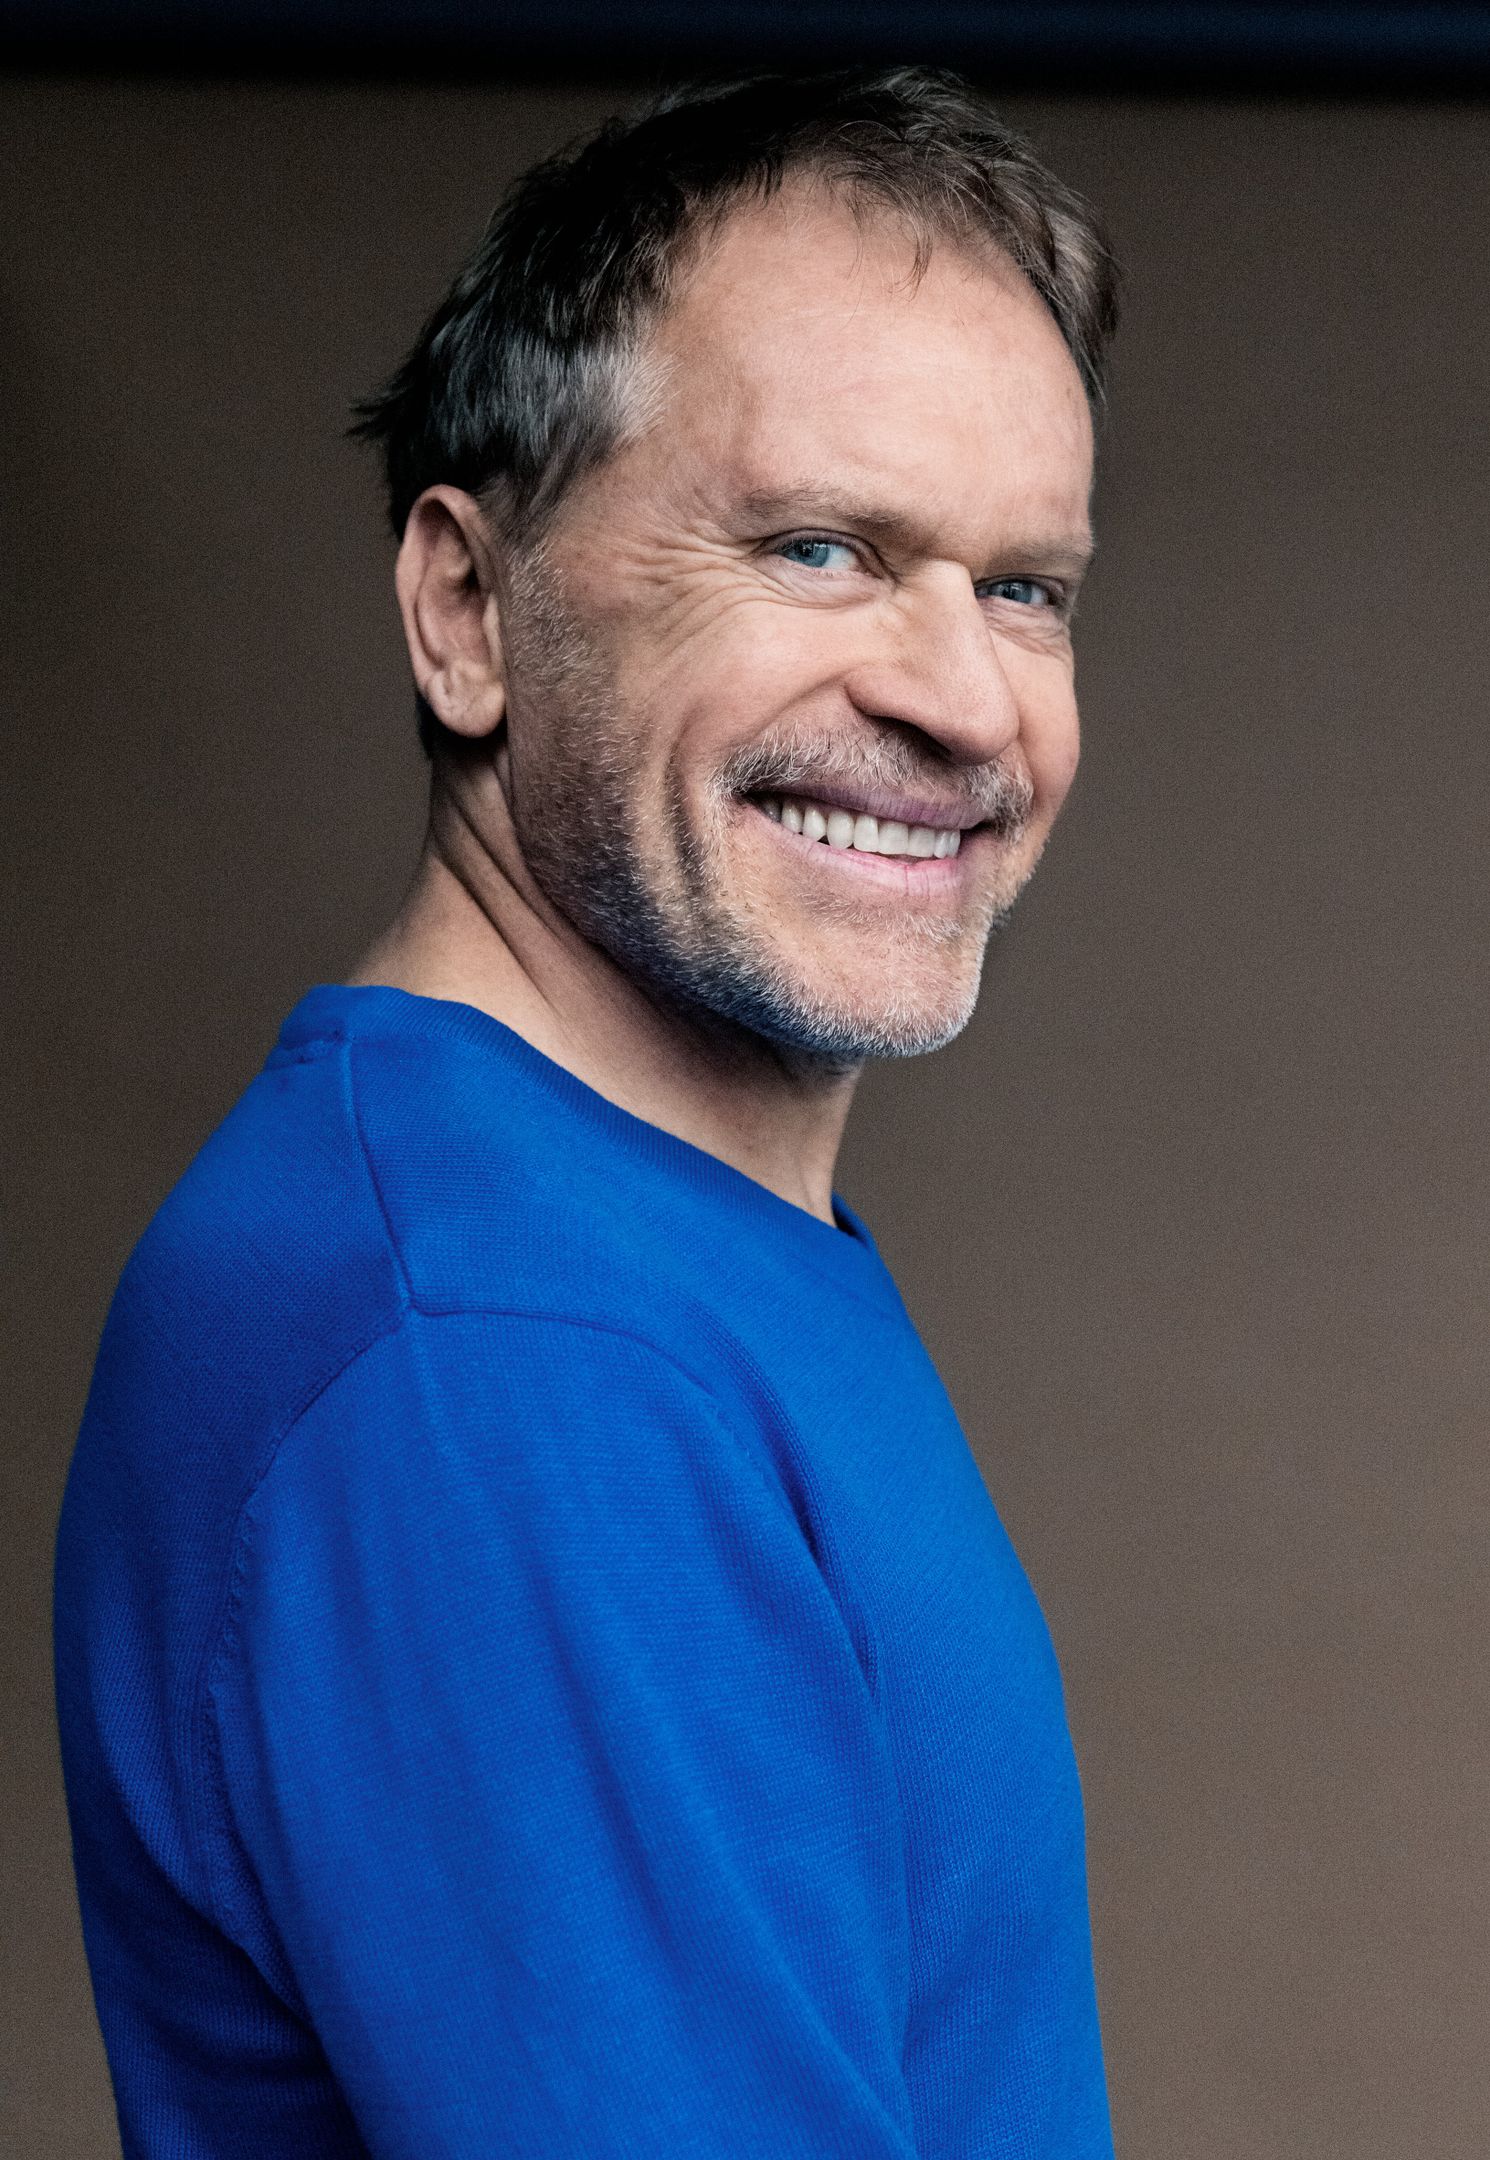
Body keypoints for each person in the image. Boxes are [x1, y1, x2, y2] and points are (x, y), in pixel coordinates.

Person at [54, 66, 1120, 2159]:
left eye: (1024, 588)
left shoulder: (603, 1246)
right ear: (466, 610)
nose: (962, 698)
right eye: (818, 548)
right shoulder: (509, 1359)